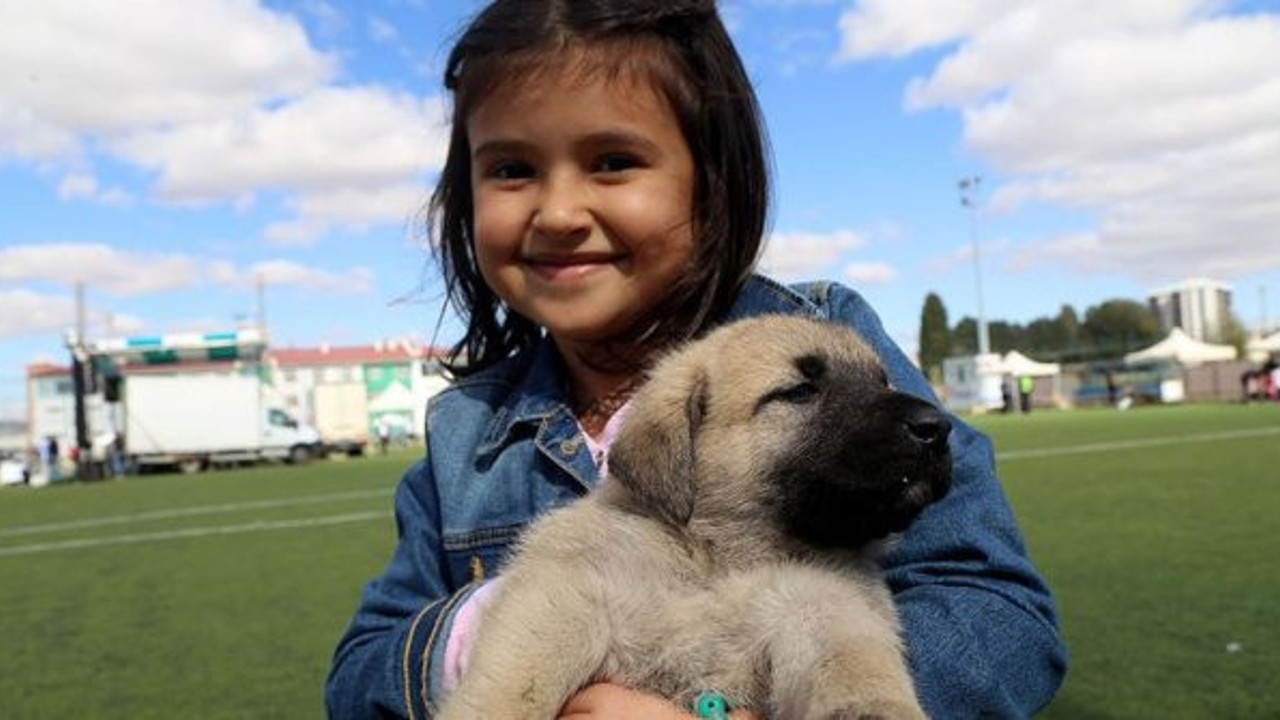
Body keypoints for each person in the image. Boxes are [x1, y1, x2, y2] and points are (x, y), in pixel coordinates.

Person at [325, 2, 1067, 718]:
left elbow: (995, 604)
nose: (558, 213)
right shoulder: (466, 433)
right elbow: (362, 673)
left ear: (711, 185)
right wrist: (502, 625)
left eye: (613, 162)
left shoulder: (821, 331)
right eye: (511, 170)